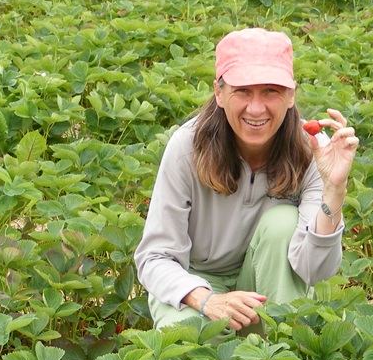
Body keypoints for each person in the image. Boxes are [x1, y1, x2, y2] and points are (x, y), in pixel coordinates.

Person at [134, 27, 360, 332]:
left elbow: (314, 271)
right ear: (219, 93)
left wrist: (333, 190)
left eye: (271, 91)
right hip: (196, 289)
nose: (256, 108)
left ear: (291, 95)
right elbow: (155, 258)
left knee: (282, 222)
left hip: (268, 291)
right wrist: (207, 300)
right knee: (189, 347)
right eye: (242, 91)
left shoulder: (316, 149)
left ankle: (282, 352)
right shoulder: (187, 147)